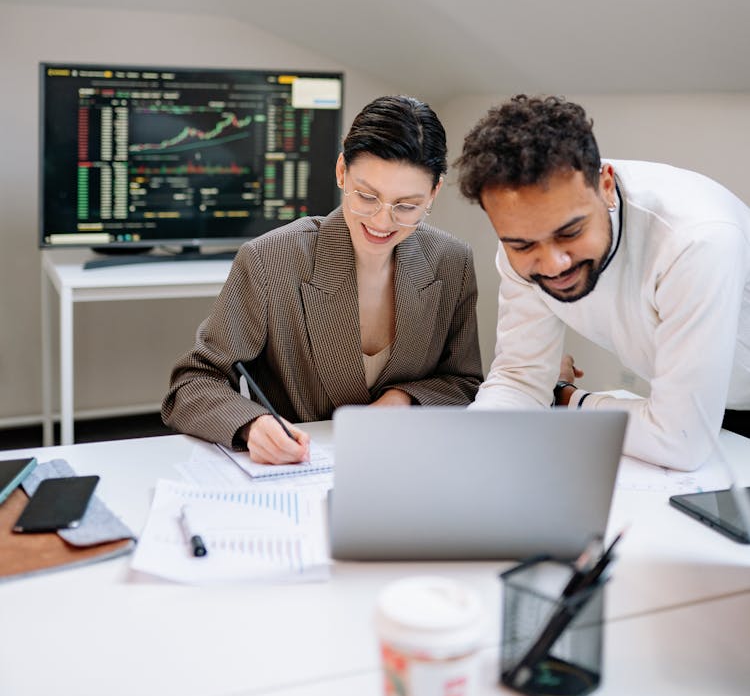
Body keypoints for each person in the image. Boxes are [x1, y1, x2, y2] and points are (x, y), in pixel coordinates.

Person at [162, 95, 483, 463]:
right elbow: (191, 383)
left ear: (434, 193)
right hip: (300, 470)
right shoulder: (270, 259)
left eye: (407, 206)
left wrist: (403, 400)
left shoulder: (451, 262)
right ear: (342, 172)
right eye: (366, 196)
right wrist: (252, 424)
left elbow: (465, 383)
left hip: (410, 462)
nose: (382, 221)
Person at [455, 94, 750, 471]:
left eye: (570, 232)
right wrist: (465, 448)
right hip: (698, 413)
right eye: (522, 244)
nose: (552, 263)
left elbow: (681, 441)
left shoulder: (695, 239)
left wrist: (569, 400)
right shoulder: (521, 247)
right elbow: (519, 379)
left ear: (606, 185)